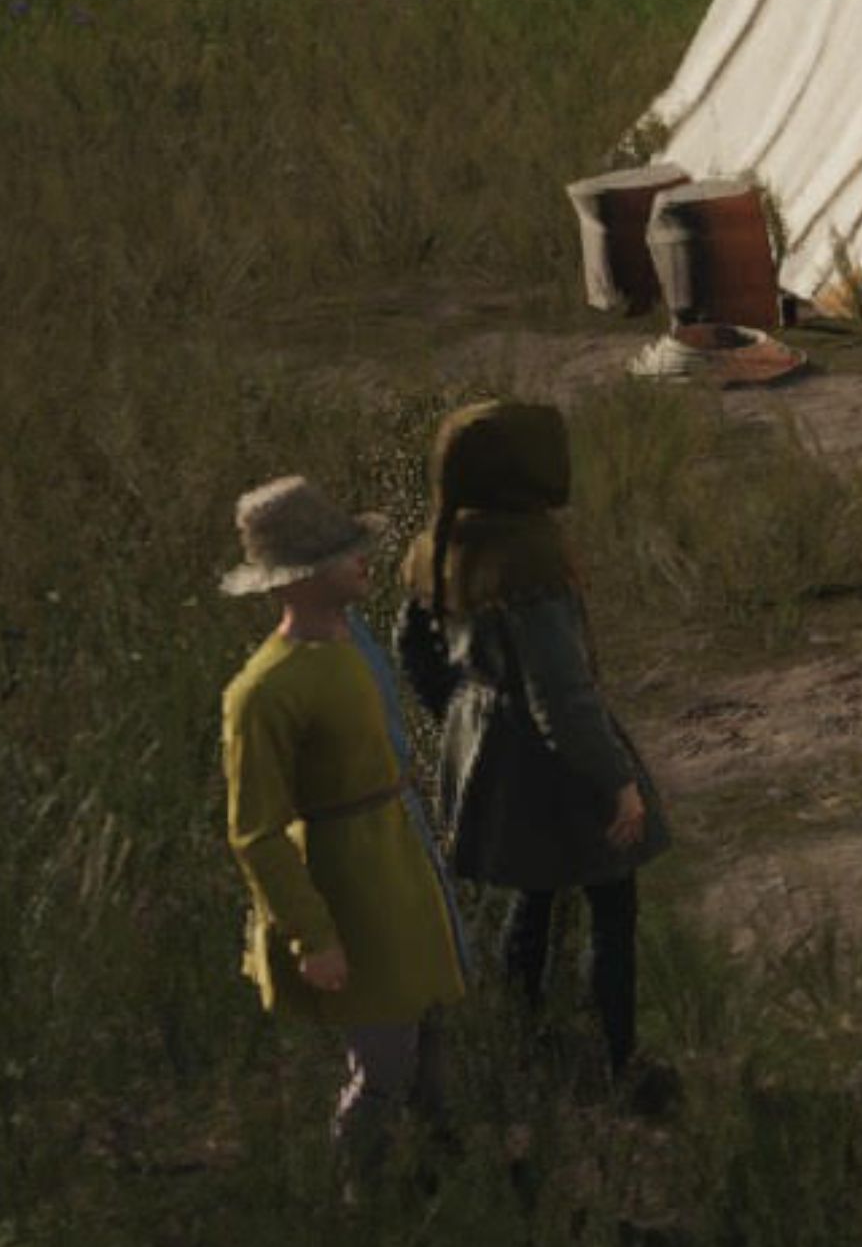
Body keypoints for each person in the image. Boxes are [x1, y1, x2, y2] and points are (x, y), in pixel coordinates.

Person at [392, 401, 678, 1117]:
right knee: (611, 904)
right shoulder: (529, 563)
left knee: (533, 895)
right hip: (549, 765)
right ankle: (615, 1065)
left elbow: (413, 649)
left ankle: (526, 1047)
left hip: (489, 746)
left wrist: (462, 714)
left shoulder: (437, 545)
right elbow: (561, 696)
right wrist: (617, 783)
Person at [217, 474, 469, 1180]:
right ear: (297, 577)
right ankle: (360, 1193)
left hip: (400, 865)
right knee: (383, 1061)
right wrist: (313, 935)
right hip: (350, 888)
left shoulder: (352, 645)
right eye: (341, 554)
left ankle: (447, 1173)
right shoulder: (264, 691)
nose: (363, 560)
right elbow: (256, 832)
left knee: (430, 1029)